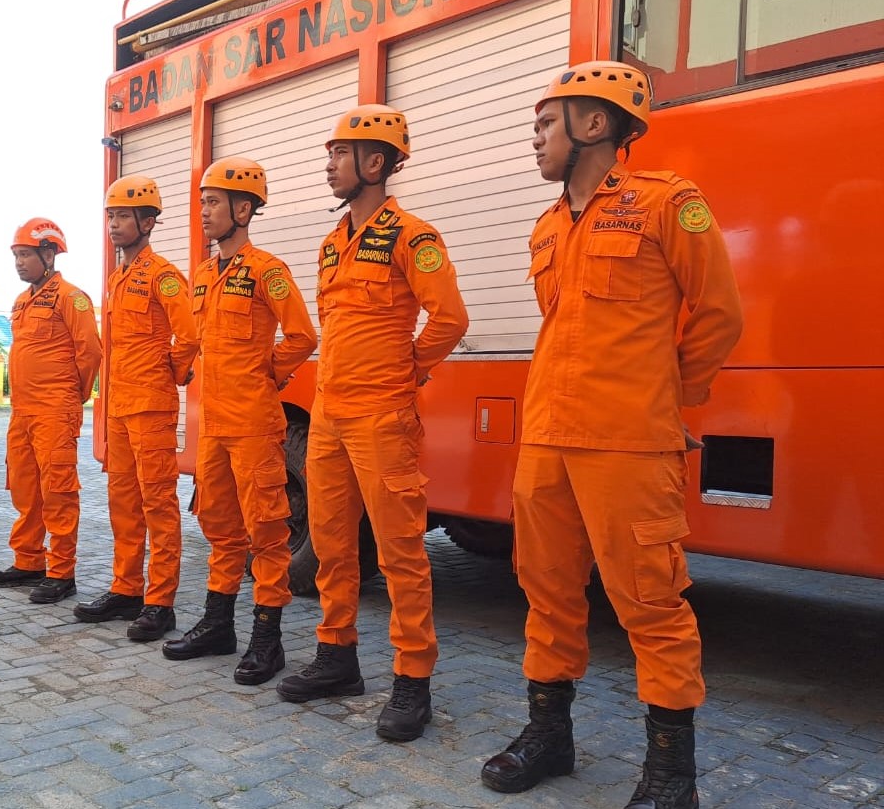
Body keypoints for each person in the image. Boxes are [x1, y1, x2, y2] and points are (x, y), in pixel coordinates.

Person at [478, 61, 743, 809]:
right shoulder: (548, 224)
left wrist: (671, 402)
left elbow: (719, 315)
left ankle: (670, 774)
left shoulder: (668, 205)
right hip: (547, 442)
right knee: (545, 590)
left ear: (594, 124)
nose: (534, 140)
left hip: (629, 444)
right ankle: (549, 736)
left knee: (651, 605)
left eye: (544, 124)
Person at [276, 105, 469, 741]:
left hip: (382, 416)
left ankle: (413, 681)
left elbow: (449, 320)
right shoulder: (334, 243)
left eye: (339, 154)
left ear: (375, 162)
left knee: (401, 553)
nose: (328, 165)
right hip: (330, 415)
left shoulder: (414, 236)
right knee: (331, 543)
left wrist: (402, 372)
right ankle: (338, 658)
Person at [161, 158, 316, 684]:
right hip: (215, 427)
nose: (203, 211)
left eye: (213, 202)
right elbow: (195, 342)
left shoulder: (268, 270)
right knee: (220, 528)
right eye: (202, 201)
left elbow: (302, 337)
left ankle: (266, 641)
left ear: (243, 209)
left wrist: (262, 376)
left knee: (268, 534)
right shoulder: (203, 276)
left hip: (254, 423)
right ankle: (217, 625)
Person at [72, 175, 199, 640]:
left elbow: (188, 335)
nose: (114, 224)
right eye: (111, 216)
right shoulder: (117, 278)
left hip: (150, 407)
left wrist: (172, 374)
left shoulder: (163, 276)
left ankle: (160, 602)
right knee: (123, 504)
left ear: (147, 222)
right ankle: (126, 588)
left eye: (124, 216)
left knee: (157, 504)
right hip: (120, 407)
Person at [0, 218, 102, 605]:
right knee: (25, 488)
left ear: (49, 253)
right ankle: (28, 561)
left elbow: (91, 352)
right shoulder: (22, 301)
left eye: (26, 255)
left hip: (54, 411)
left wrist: (72, 397)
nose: (19, 263)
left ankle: (61, 571)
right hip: (23, 413)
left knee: (58, 492)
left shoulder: (72, 298)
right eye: (16, 255)